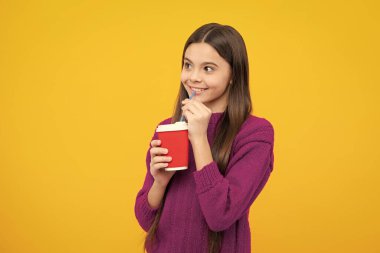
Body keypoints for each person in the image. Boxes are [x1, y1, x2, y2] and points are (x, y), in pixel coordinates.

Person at [134, 23, 275, 253]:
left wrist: (199, 138)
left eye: (208, 68)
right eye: (188, 65)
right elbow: (146, 220)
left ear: (233, 75)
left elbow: (220, 216)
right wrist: (159, 183)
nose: (193, 77)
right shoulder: (167, 128)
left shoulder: (255, 134)